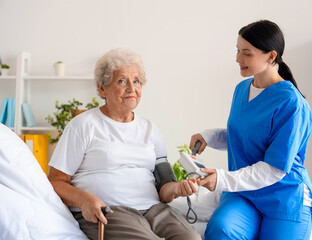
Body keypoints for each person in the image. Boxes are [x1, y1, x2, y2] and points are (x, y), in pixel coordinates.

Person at [190, 20, 312, 240]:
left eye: (246, 53)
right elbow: (246, 136)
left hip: (284, 197)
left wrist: (223, 179)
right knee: (221, 230)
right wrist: (209, 136)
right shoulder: (242, 89)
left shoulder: (291, 103)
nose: (237, 59)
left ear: (271, 56)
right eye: (237, 51)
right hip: (246, 194)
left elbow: (274, 168)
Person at [48, 48, 201, 240]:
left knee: (191, 238)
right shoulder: (83, 125)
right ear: (102, 88)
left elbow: (165, 185)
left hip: (153, 209)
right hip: (110, 210)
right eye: (122, 81)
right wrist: (84, 200)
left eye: (136, 81)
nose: (131, 88)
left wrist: (178, 188)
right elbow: (56, 181)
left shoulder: (150, 129)